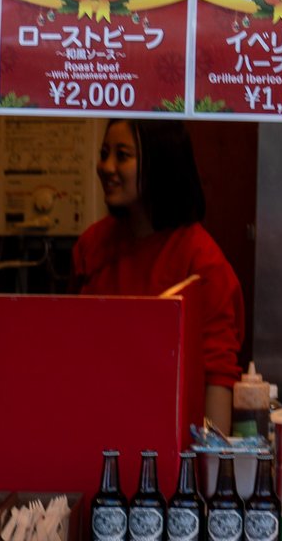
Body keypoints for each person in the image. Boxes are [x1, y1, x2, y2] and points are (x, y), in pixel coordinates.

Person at [73, 119, 243, 434]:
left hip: (168, 443)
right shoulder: (92, 245)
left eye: (122, 155)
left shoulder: (202, 262)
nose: (105, 166)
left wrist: (209, 470)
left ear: (161, 162)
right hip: (94, 427)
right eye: (104, 153)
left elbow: (217, 375)